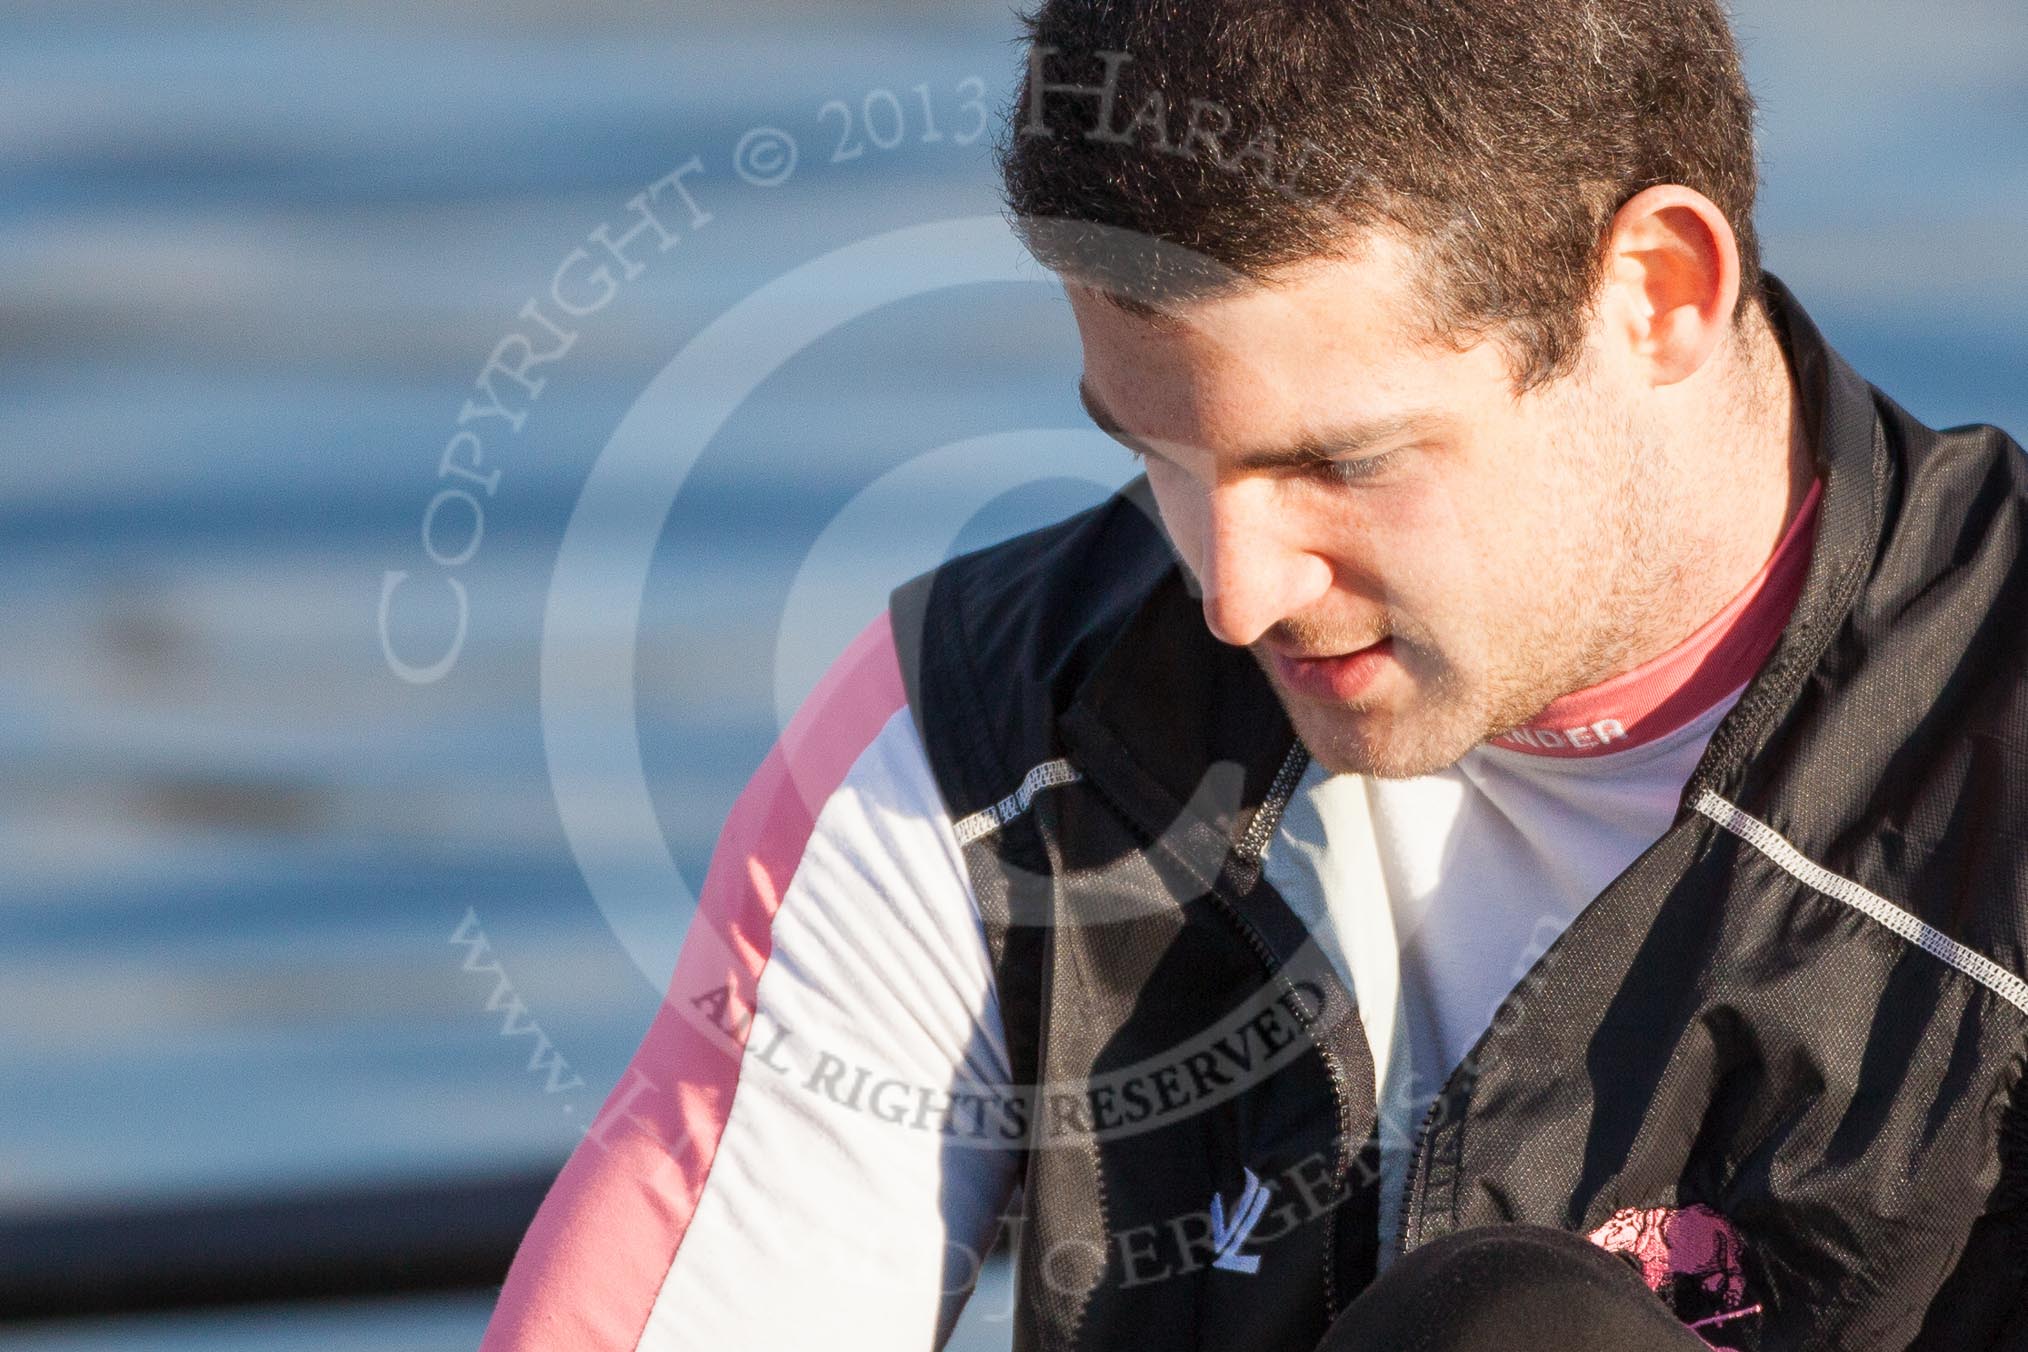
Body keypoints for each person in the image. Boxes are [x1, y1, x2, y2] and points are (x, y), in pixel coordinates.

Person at [479, 2, 2028, 1349]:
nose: (1232, 597)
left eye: (1341, 462)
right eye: (1156, 451)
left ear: (1658, 295)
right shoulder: (976, 745)